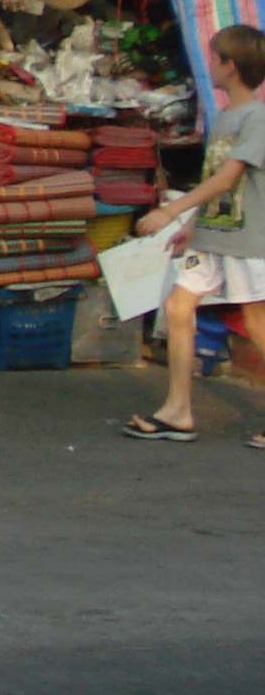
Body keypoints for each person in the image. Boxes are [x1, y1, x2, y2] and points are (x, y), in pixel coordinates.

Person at [124, 22, 265, 445]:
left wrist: (172, 211)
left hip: (247, 240)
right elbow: (216, 182)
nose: (210, 65)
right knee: (179, 307)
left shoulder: (256, 118)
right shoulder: (227, 116)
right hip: (213, 235)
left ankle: (180, 409)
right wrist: (190, 226)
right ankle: (178, 410)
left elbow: (227, 178)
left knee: (258, 324)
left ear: (231, 67)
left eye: (214, 58)